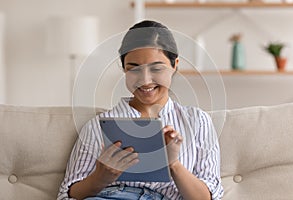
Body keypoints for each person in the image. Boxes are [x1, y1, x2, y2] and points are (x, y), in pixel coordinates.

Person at [58, 20, 223, 200]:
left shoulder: (197, 122)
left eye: (156, 68)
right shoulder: (98, 126)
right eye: (134, 68)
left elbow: (207, 198)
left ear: (175, 65)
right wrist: (101, 177)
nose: (145, 80)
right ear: (124, 69)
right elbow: (67, 196)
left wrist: (173, 164)